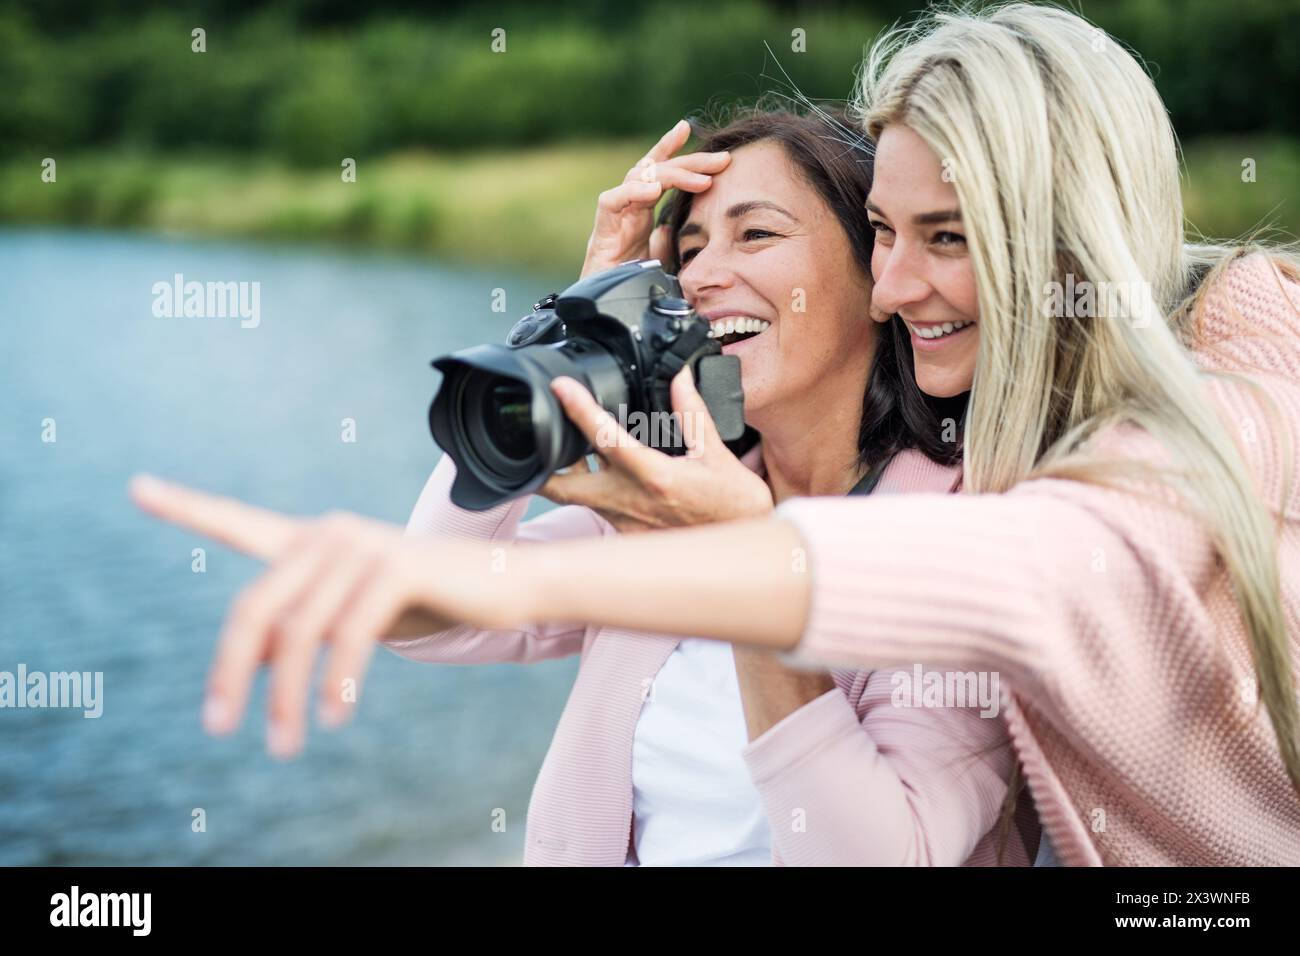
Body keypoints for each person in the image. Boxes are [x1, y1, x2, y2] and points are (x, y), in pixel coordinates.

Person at [130, 3, 1300, 864]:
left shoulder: (972, 503)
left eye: (758, 235)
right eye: (689, 250)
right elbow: (437, 624)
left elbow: (880, 845)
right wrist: (558, 335)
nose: (708, 275)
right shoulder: (680, 490)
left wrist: (747, 558)